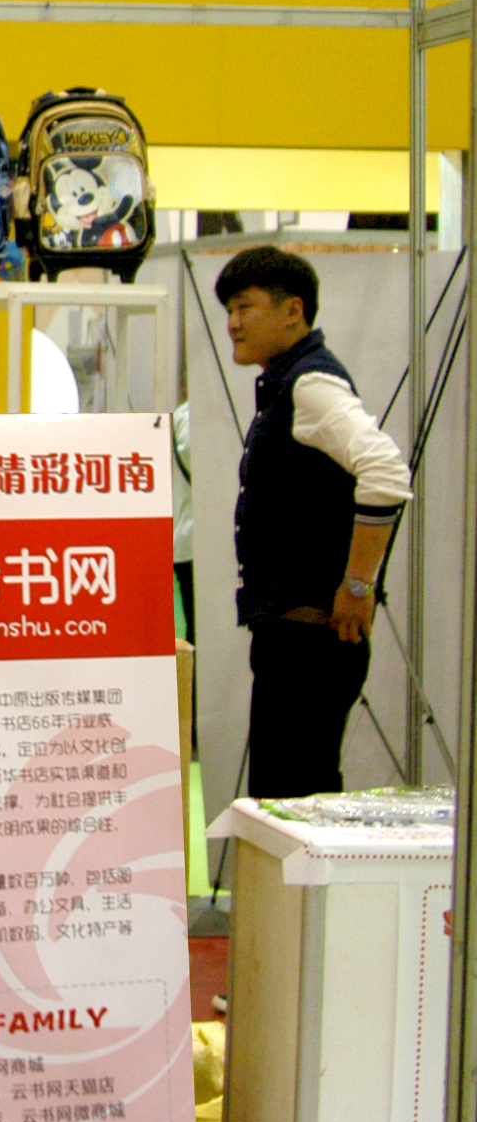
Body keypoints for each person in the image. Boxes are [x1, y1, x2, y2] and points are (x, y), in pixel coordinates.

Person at [217, 245, 411, 800]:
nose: (232, 324)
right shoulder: (288, 382)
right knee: (289, 801)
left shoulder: (309, 383)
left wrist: (358, 584)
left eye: (245, 307)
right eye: (228, 310)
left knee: (295, 804)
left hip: (309, 644)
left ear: (292, 311)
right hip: (292, 639)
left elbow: (386, 471)